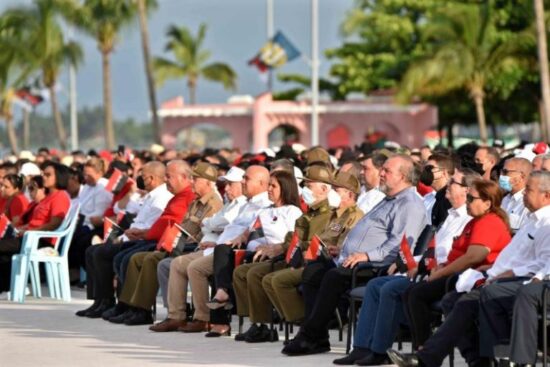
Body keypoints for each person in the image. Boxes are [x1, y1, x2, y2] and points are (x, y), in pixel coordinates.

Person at [388, 171, 550, 367]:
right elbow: (515, 258)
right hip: (496, 276)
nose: (523, 194)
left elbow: (540, 264)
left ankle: (430, 358)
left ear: (546, 195)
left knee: (462, 299)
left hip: (519, 282)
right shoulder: (531, 222)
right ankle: (474, 361)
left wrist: (505, 273)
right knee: (451, 300)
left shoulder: (543, 223)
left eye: (529, 190)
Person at [282, 154, 427, 356]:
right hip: (353, 260)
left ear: (402, 176)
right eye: (382, 169)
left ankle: (310, 336)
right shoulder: (389, 199)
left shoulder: (409, 204)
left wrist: (366, 256)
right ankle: (318, 337)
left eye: (387, 171)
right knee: (314, 271)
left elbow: (399, 244)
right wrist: (343, 250)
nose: (381, 174)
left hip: (378, 266)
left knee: (333, 277)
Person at [333, 167, 478, 366]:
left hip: (445, 275)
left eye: (453, 182)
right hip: (428, 269)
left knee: (390, 288)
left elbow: (457, 255)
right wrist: (409, 261)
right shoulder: (450, 216)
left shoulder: (468, 220)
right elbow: (433, 251)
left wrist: (423, 266)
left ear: (467, 190)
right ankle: (361, 347)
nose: (448, 185)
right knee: (376, 285)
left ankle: (380, 350)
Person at [401, 179, 511, 351]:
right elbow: (459, 253)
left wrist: (441, 273)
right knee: (410, 292)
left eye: (471, 199)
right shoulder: (474, 221)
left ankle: (423, 349)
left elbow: (473, 257)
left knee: (417, 294)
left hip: (470, 276)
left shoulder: (489, 221)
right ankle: (421, 349)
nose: (466, 202)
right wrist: (442, 265)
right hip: (457, 273)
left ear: (487, 203)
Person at [110, 162, 221, 326]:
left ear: (208, 182)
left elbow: (200, 235)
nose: (192, 182)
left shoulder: (213, 203)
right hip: (180, 243)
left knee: (151, 260)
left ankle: (145, 310)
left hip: (193, 247)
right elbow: (181, 227)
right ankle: (131, 306)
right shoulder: (194, 201)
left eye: (196, 179)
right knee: (135, 258)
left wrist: (171, 242)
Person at [230, 166, 333, 343]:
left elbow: (294, 242)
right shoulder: (268, 211)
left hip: (290, 257)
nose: (269, 189)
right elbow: (255, 232)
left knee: (256, 274)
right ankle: (258, 322)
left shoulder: (293, 211)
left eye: (273, 186)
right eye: (269, 185)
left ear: (284, 188)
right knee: (241, 272)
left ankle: (294, 323)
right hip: (276, 254)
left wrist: (278, 247)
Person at [150, 166, 247, 334]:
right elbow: (211, 223)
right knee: (176, 263)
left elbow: (218, 223)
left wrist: (210, 224)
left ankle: (203, 317)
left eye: (231, 184)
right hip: (211, 247)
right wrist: (210, 224)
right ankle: (176, 315)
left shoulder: (239, 204)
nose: (227, 188)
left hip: (224, 251)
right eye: (227, 184)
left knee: (193, 267)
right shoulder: (229, 204)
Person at [263, 170, 364, 328]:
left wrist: (323, 250)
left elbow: (345, 248)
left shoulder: (354, 216)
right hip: (316, 260)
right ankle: (302, 320)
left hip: (334, 265)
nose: (332, 193)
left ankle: (308, 321)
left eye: (336, 190)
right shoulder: (335, 215)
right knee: (272, 278)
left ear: (350, 195)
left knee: (283, 279)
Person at [75, 161, 172, 318]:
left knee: (102, 253)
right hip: (134, 236)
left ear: (152, 178)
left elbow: (148, 228)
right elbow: (127, 215)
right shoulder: (151, 195)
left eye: (143, 176)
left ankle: (114, 302)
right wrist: (121, 237)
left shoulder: (161, 197)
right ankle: (99, 300)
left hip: (144, 240)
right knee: (92, 250)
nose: (140, 179)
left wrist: (124, 237)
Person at [0, 161, 71, 292]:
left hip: (41, 240)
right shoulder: (49, 197)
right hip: (31, 237)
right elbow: (36, 221)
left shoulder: (60, 196)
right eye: (43, 173)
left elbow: (54, 224)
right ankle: (7, 287)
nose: (43, 176)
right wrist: (23, 229)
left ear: (59, 177)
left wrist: (30, 232)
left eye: (48, 174)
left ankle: (7, 288)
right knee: (4, 251)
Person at [69, 157, 113, 272]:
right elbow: (80, 205)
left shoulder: (104, 187)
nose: (85, 177)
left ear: (99, 173)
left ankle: (77, 272)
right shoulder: (87, 187)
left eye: (89, 175)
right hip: (83, 221)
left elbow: (99, 214)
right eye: (84, 174)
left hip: (96, 224)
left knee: (79, 241)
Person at [499, 157, 531, 232]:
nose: (501, 175)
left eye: (505, 172)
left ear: (521, 177)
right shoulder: (505, 198)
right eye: (501, 171)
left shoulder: (528, 203)